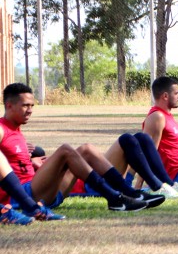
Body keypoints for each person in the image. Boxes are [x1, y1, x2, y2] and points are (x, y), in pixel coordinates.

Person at [0, 83, 152, 215]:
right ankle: (113, 198)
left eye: (32, 106)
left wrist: (32, 161)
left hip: (43, 191)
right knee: (65, 150)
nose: (30, 110)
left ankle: (128, 192)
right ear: (9, 106)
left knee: (86, 149)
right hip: (24, 196)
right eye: (25, 105)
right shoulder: (2, 129)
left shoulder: (16, 129)